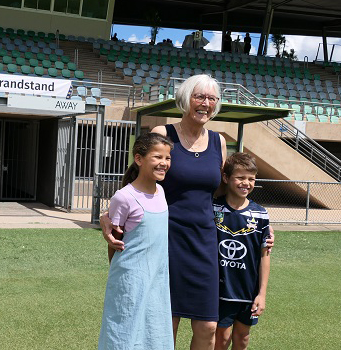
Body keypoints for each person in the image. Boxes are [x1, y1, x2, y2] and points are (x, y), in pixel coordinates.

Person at [101, 75, 275, 350]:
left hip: (205, 241)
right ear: (185, 99)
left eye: (212, 99)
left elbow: (221, 191)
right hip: (165, 239)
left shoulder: (218, 141)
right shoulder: (163, 132)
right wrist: (108, 215)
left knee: (208, 326)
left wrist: (255, 219)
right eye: (199, 97)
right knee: (164, 322)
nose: (206, 104)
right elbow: (137, 178)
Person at [99, 133, 175, 350]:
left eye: (167, 158)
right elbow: (114, 242)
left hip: (157, 278)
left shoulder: (161, 191)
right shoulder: (123, 197)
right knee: (124, 332)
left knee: (154, 330)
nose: (163, 163)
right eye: (157, 157)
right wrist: (121, 277)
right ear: (139, 159)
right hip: (130, 279)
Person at [212, 152, 270, 350]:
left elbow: (265, 256)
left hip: (248, 291)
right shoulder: (214, 208)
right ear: (226, 178)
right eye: (240, 177)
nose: (246, 183)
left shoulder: (261, 214)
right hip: (221, 289)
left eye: (251, 179)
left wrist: (261, 294)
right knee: (221, 337)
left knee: (243, 337)